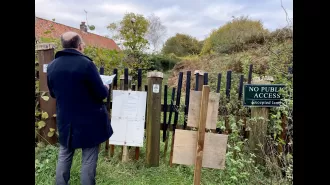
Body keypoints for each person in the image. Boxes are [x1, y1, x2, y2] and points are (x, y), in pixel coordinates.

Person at [46, 31, 113, 185]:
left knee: (64, 154)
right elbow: (101, 93)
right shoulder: (86, 64)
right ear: (79, 45)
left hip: (65, 120)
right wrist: (106, 86)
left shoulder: (52, 67)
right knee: (88, 159)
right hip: (88, 121)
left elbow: (53, 94)